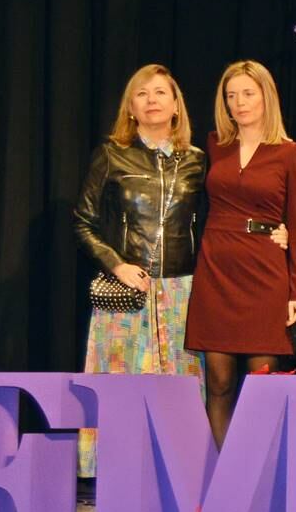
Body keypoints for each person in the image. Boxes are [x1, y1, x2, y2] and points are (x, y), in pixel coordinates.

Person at [73, 64, 207, 475]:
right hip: (127, 292)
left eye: (160, 93)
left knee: (179, 389)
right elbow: (83, 220)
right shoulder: (111, 154)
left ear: (175, 105)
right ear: (130, 107)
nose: (152, 101)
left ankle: (180, 471)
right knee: (121, 384)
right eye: (142, 94)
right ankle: (117, 471)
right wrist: (118, 265)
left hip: (182, 292)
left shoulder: (197, 160)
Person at [186, 60, 296, 447]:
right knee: (219, 382)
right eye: (231, 96)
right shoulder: (214, 145)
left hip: (263, 269)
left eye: (247, 94)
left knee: (263, 383)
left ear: (266, 96)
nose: (239, 103)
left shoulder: (291, 152)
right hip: (217, 266)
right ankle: (219, 480)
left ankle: (258, 479)